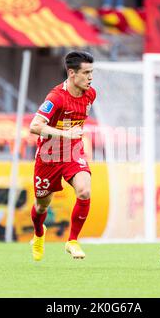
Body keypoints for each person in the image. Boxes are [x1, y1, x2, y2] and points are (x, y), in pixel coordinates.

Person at [28, 51, 96, 261]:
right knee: (42, 206)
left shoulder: (91, 94)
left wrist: (76, 142)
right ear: (72, 73)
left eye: (92, 72)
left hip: (73, 152)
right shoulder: (56, 97)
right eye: (86, 73)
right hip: (48, 156)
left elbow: (78, 123)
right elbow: (34, 126)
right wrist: (65, 134)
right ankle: (39, 233)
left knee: (84, 191)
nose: (90, 77)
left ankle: (72, 241)